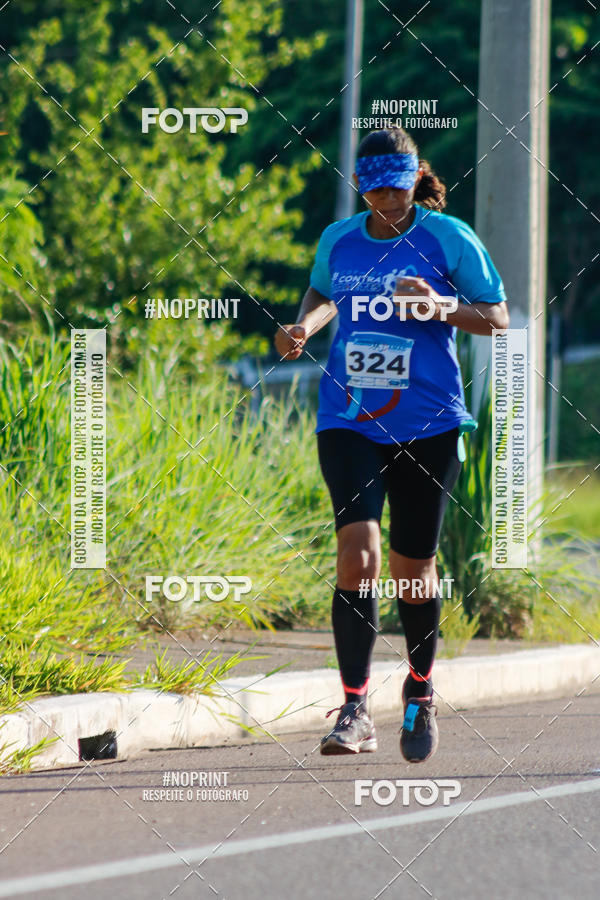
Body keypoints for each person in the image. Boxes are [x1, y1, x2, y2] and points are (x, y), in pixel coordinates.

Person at [274, 127, 509, 762]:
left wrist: (439, 307)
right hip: (348, 416)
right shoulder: (339, 239)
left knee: (413, 571)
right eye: (376, 188)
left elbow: (496, 318)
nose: (388, 200)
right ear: (360, 183)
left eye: (398, 189)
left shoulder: (447, 237)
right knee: (360, 556)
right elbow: (324, 293)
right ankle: (353, 707)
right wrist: (305, 325)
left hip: (428, 424)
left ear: (413, 182)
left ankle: (420, 689)